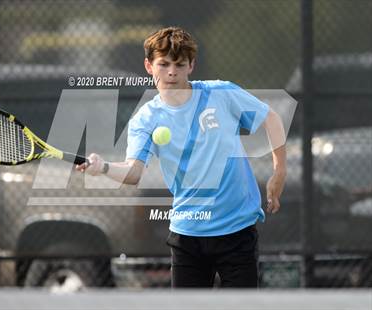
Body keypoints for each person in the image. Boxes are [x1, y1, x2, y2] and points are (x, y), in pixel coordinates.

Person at [76, 26, 287, 288]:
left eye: (179, 64)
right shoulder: (145, 119)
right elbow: (133, 172)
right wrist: (104, 167)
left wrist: (279, 172)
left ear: (191, 66)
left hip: (237, 230)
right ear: (149, 66)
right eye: (163, 64)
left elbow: (271, 118)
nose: (172, 72)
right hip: (188, 236)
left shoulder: (221, 94)